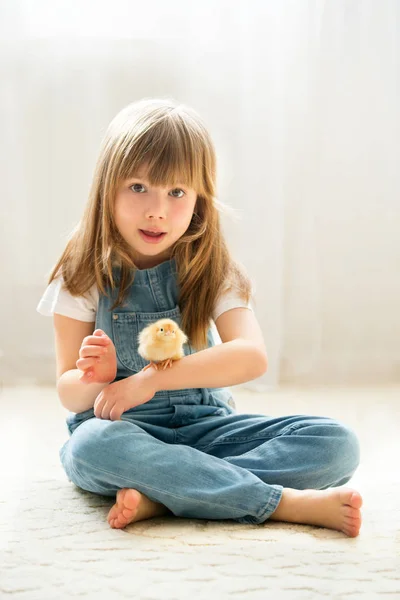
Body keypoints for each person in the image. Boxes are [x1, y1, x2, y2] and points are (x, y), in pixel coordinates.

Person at [37, 98, 362, 536]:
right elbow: (69, 395)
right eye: (138, 187)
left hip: (209, 428)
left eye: (176, 192)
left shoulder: (211, 266)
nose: (157, 210)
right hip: (123, 431)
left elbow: (251, 357)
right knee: (89, 447)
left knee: (336, 445)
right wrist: (99, 378)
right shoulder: (82, 273)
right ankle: (280, 503)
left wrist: (149, 379)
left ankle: (167, 493)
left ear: (199, 200)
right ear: (106, 189)